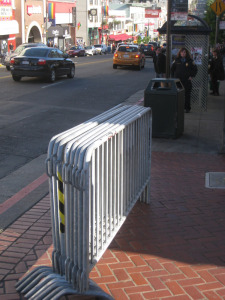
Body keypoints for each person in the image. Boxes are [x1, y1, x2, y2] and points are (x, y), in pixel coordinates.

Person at [171, 47, 198, 113]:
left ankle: (187, 108)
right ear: (180, 53)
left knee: (187, 95)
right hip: (178, 81)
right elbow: (172, 69)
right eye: (182, 52)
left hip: (187, 81)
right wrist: (173, 78)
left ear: (186, 53)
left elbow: (195, 70)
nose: (183, 53)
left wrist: (191, 76)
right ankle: (179, 107)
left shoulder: (190, 61)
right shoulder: (176, 60)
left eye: (184, 52)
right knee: (178, 95)